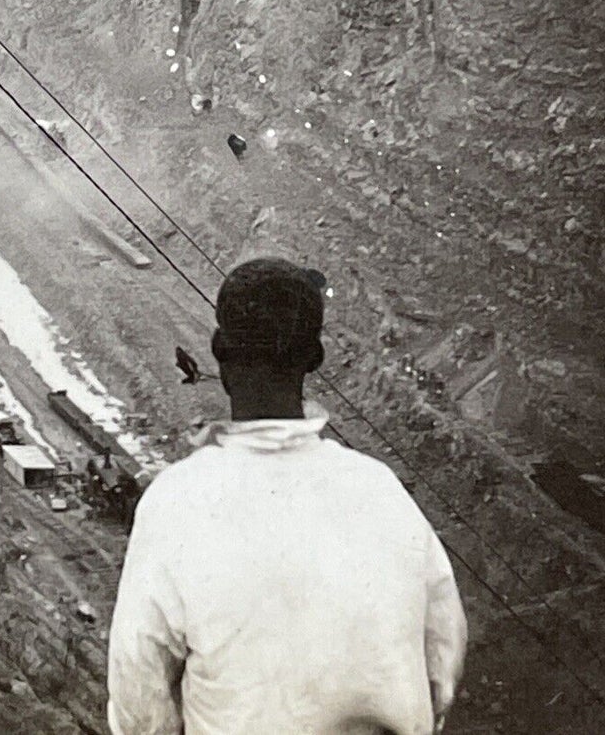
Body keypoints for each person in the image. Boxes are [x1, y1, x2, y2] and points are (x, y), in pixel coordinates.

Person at [107, 258, 466, 735]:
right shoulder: (380, 489)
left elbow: (139, 697)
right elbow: (442, 660)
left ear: (221, 356)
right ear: (311, 360)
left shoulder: (176, 501)